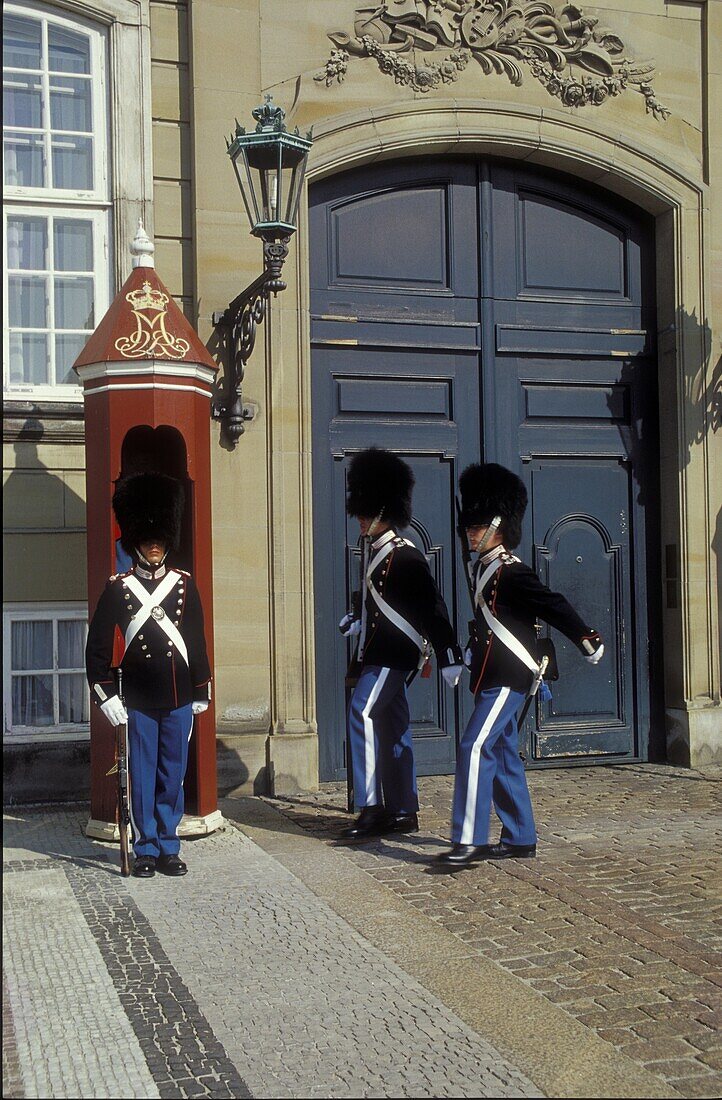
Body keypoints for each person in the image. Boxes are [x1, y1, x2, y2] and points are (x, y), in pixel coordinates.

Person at [434, 463, 604, 870]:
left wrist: (585, 637)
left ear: (497, 525)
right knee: (504, 751)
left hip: (509, 675)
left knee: (473, 747)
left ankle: (469, 838)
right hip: (491, 673)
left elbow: (553, 603)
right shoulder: (484, 569)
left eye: (476, 527)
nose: (469, 534)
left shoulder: (511, 571)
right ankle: (520, 836)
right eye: (468, 527)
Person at [86, 472, 212, 878]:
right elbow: (99, 649)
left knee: (171, 773)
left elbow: (195, 639)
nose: (154, 545)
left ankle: (169, 845)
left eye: (159, 539)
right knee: (140, 773)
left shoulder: (183, 586)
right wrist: (106, 695)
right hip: (138, 696)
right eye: (148, 538)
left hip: (177, 694)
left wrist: (201, 687)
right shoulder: (118, 589)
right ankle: (145, 847)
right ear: (136, 541)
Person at [338, 448, 464, 842]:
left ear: (383, 510)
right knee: (393, 727)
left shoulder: (404, 554)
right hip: (379, 651)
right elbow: (379, 599)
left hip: (394, 653)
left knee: (361, 712)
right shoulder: (372, 550)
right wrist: (357, 618)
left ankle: (372, 806)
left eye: (365, 510)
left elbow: (431, 604)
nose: (359, 517)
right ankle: (405, 810)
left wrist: (448, 652)